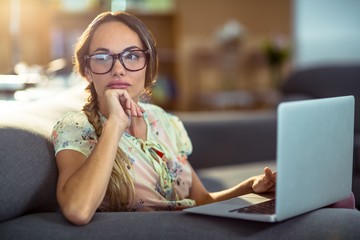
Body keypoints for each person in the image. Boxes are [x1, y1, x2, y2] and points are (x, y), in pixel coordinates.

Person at [51, 11, 276, 226]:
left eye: (131, 56)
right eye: (102, 57)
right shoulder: (76, 127)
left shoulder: (162, 121)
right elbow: (77, 210)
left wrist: (250, 187)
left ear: (148, 66)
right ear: (87, 70)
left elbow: (202, 201)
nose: (118, 69)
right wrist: (116, 124)